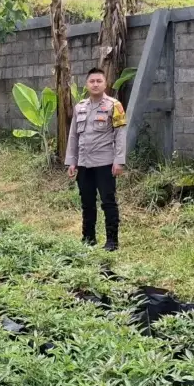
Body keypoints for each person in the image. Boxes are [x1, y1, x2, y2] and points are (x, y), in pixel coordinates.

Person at [65, 68, 128, 251]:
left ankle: (112, 242)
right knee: (87, 202)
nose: (95, 84)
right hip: (84, 164)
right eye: (92, 81)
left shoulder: (114, 105)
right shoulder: (80, 107)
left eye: (99, 81)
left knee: (108, 202)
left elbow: (120, 135)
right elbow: (73, 136)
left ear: (105, 84)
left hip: (105, 163)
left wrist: (119, 160)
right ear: (87, 84)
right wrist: (72, 161)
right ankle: (88, 238)